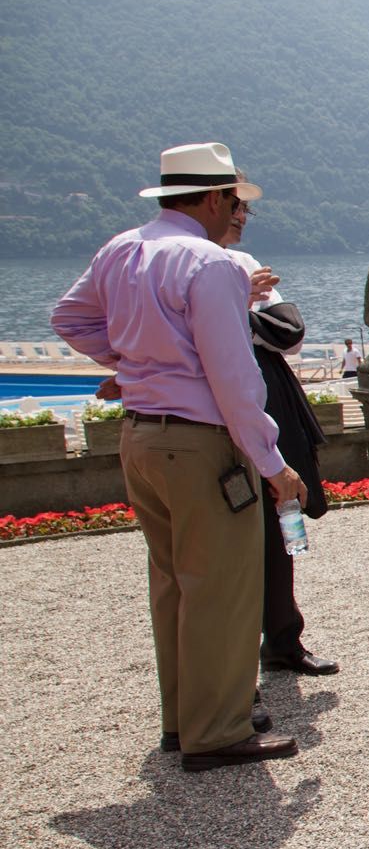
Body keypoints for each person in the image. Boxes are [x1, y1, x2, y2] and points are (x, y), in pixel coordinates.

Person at [50, 142, 304, 771]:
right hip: (200, 444)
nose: (236, 212)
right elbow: (233, 380)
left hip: (141, 436)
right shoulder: (210, 264)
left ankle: (181, 720)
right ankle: (218, 730)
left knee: (172, 584)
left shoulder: (121, 249)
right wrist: (274, 465)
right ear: (216, 198)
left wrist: (132, 364)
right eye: (236, 201)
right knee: (220, 587)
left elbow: (69, 319)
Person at [221, 190, 339, 680]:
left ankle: (284, 639)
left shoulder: (245, 262)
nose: (242, 217)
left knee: (282, 516)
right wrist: (239, 304)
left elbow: (289, 332)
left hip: (269, 395)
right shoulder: (199, 264)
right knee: (227, 531)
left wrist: (236, 310)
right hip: (219, 399)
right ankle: (231, 660)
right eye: (235, 208)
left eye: (245, 209)